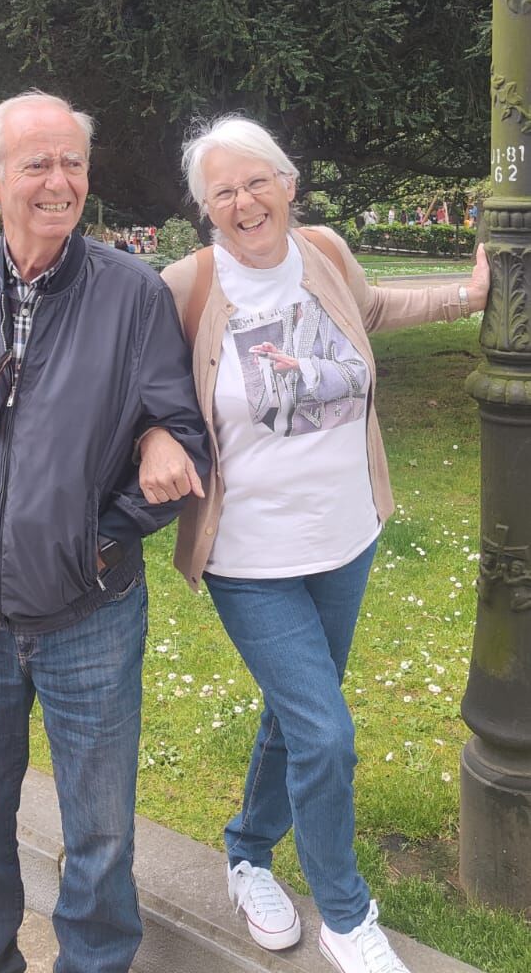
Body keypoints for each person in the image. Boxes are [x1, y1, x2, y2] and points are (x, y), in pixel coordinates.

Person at [138, 116, 490, 973]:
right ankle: (345, 912)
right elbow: (135, 384)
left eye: (256, 181)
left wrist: (466, 298)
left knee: (297, 718)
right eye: (221, 190)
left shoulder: (326, 251)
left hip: (347, 535)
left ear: (290, 184)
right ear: (204, 207)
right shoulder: (184, 286)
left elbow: (369, 311)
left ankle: (247, 851)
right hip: (250, 558)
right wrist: (153, 434)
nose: (243, 201)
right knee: (325, 735)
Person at [0, 90, 209, 973]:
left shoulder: (132, 295)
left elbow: (186, 445)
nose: (60, 180)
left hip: (90, 617)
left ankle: (95, 963)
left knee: (99, 837)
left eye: (72, 162)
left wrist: (98, 534)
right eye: (37, 163)